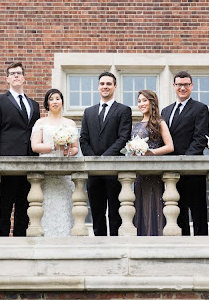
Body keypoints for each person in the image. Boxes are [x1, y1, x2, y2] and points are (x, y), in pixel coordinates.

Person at [0, 62, 41, 237]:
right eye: (12, 73)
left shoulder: (34, 104)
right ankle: (2, 243)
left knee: (24, 207)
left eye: (19, 73)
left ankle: (21, 241)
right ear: (7, 79)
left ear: (24, 78)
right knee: (4, 206)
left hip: (29, 162)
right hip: (7, 161)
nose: (16, 76)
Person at [79, 72, 132, 236]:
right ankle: (99, 244)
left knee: (115, 213)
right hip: (94, 171)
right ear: (98, 87)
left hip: (114, 169)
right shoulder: (89, 112)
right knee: (96, 212)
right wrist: (95, 160)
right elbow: (83, 139)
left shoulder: (123, 110)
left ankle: (115, 245)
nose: (105, 86)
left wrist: (104, 159)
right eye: (102, 84)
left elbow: (123, 137)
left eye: (109, 84)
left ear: (115, 87)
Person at [161, 71, 209, 236]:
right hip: (171, 170)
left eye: (186, 84)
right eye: (179, 85)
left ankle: (201, 244)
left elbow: (200, 138)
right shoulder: (166, 111)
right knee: (177, 209)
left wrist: (185, 161)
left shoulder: (200, 108)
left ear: (192, 86)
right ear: (174, 86)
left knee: (198, 210)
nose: (182, 88)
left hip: (193, 167)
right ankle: (182, 243)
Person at [30, 89, 79, 237]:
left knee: (65, 206)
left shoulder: (70, 123)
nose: (55, 101)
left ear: (62, 102)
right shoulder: (41, 123)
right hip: (46, 169)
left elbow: (76, 147)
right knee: (46, 205)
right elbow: (35, 146)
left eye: (58, 98)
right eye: (52, 99)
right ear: (47, 103)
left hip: (65, 171)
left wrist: (69, 152)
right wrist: (54, 146)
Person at [132, 90, 174, 236]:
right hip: (139, 174)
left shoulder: (159, 122)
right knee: (139, 206)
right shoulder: (136, 125)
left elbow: (170, 146)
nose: (141, 104)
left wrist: (151, 152)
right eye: (139, 101)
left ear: (152, 102)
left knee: (154, 205)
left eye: (144, 100)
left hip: (154, 172)